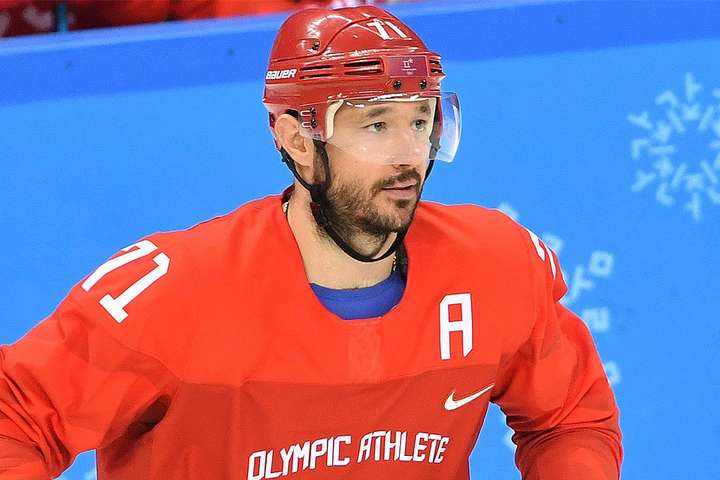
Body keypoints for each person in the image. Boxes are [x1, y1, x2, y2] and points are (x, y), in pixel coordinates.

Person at [0, 5, 623, 480]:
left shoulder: (495, 266)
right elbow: (15, 420)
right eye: (375, 125)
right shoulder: (174, 291)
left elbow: (570, 417)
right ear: (297, 141)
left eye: (420, 121)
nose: (409, 155)